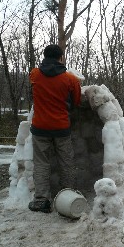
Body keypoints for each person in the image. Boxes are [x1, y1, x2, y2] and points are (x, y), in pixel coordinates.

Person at [28, 44, 81, 213]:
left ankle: (41, 200)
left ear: (44, 56)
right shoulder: (70, 79)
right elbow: (77, 102)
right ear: (61, 58)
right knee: (66, 162)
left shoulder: (34, 74)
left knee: (41, 163)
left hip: (40, 127)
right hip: (61, 127)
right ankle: (69, 196)